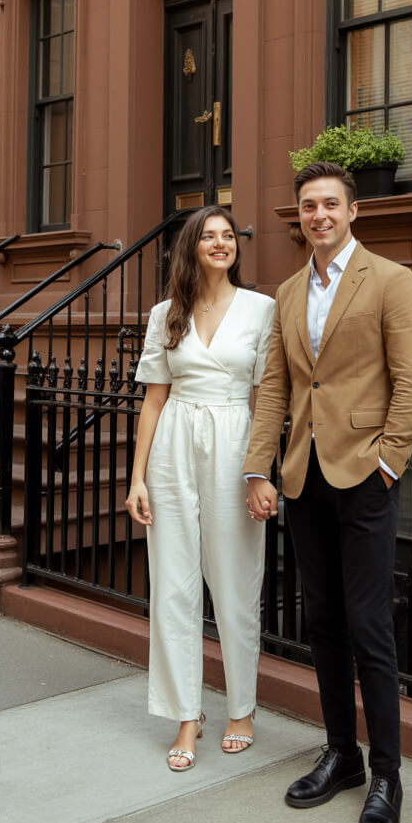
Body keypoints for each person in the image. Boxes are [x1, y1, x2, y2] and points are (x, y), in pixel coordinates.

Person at [244, 161, 412, 823]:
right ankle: (342, 755)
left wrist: (387, 463)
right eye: (308, 206)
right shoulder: (289, 292)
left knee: (370, 625)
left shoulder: (391, 281)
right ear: (299, 218)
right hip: (303, 475)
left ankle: (387, 775)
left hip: (364, 474)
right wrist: (257, 468)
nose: (318, 215)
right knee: (322, 621)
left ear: (353, 212)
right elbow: (276, 387)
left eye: (329, 204)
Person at [126, 206, 275, 771]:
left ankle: (242, 709)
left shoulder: (261, 309)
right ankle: (186, 714)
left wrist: (260, 471)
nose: (220, 243)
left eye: (228, 235)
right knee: (172, 585)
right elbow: (153, 400)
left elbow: (267, 397)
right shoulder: (166, 313)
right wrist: (137, 478)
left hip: (234, 439)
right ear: (191, 247)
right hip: (173, 443)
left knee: (235, 580)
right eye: (209, 236)